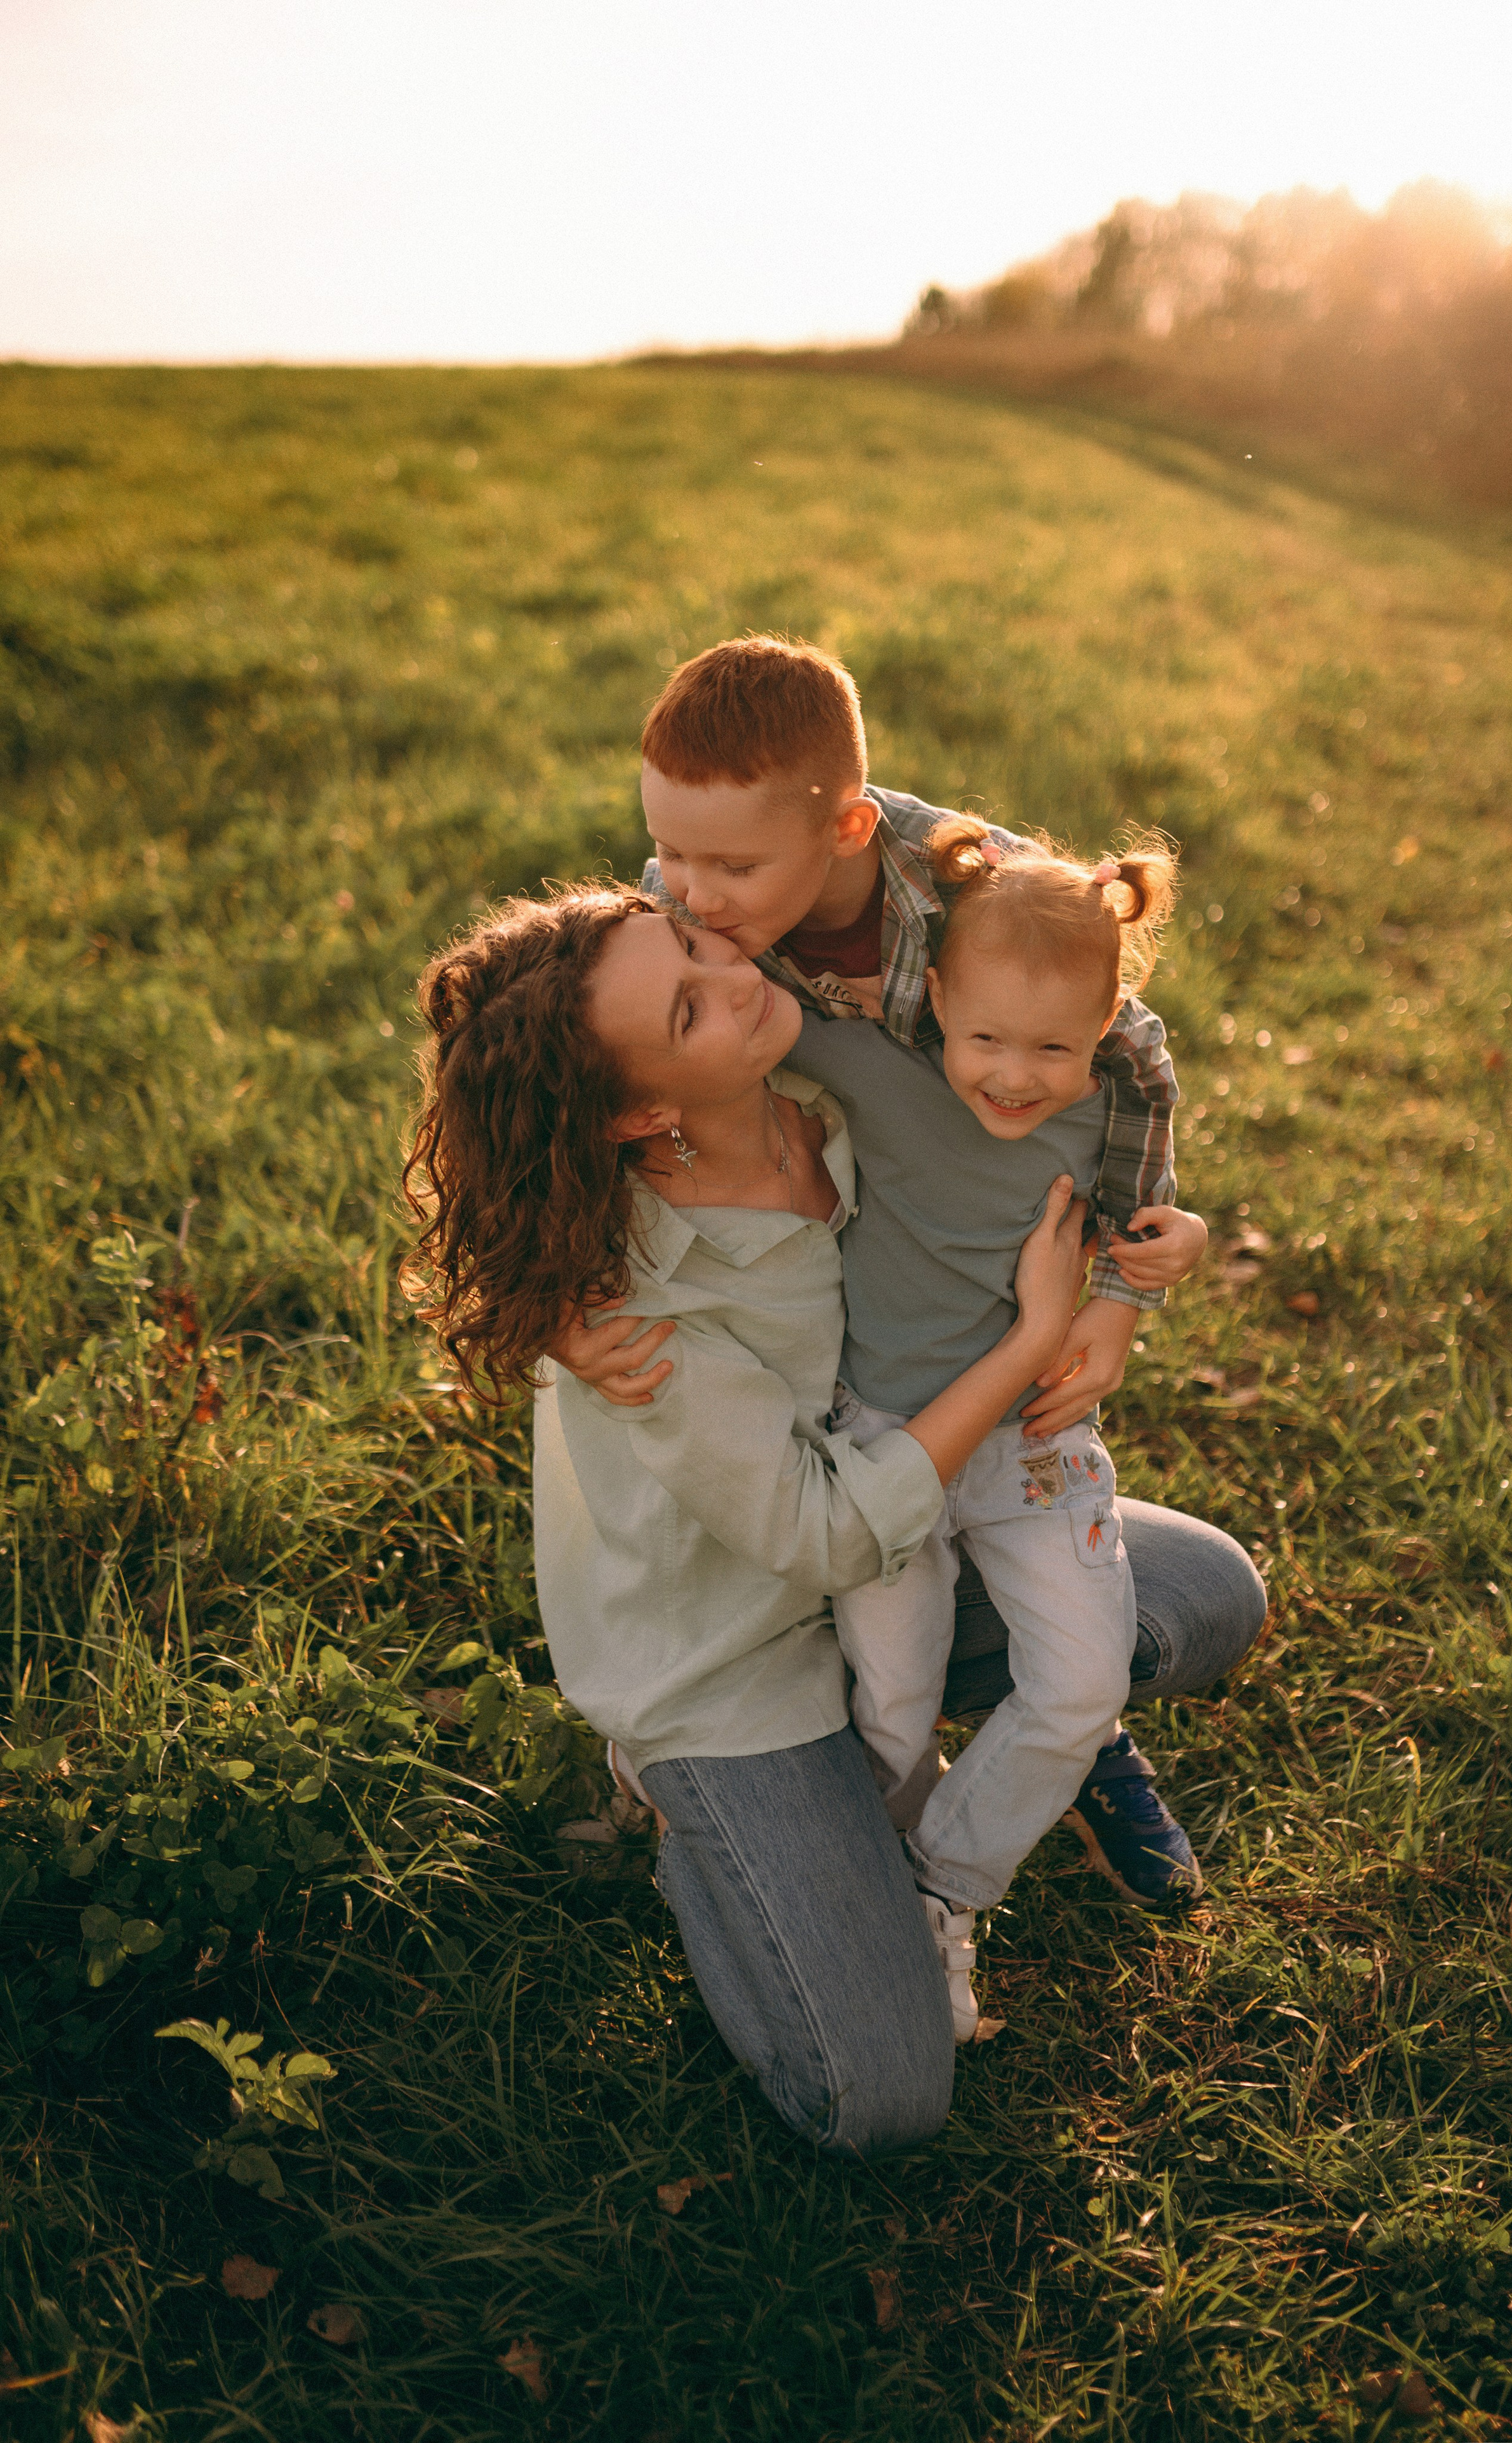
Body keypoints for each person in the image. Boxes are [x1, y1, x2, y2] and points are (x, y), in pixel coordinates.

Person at [552, 637, 1264, 1912]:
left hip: (949, 1306)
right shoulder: (695, 921)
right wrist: (550, 1314)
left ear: (846, 825)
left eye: (729, 866)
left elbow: (1124, 1037)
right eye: (668, 853)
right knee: (881, 1612)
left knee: (1192, 1598)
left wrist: (1126, 1278)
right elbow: (574, 1061)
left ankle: (1054, 1736)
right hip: (828, 1393)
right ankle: (824, 1782)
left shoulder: (961, 892)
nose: (689, 895)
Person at [403, 881, 1094, 2159]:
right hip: (735, 1660)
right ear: (638, 1111)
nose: (737, 976)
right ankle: (688, 1820)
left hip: (912, 1547)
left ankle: (989, 1741)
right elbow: (829, 1533)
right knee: (878, 2097)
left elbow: (1032, 950)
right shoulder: (624, 1304)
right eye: (687, 1004)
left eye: (692, 943)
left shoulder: (827, 1081)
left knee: (1197, 1601)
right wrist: (1031, 1343)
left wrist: (1115, 1300)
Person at [789, 812, 1207, 2037]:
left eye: (1054, 1047)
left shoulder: (1113, 1102)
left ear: (1103, 1033)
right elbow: (713, 958)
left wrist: (1146, 1274)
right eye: (985, 1039)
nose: (1016, 1076)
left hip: (1035, 1452)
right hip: (884, 1448)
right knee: (893, 1703)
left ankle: (945, 1888)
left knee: (1081, 1683)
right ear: (931, 1006)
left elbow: (1150, 1225)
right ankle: (837, 1877)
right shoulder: (877, 1063)